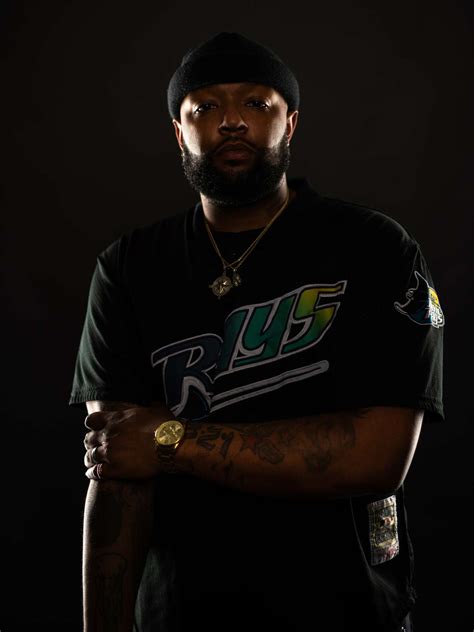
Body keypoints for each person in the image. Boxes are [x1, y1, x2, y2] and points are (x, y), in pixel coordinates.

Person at [69, 32, 444, 632]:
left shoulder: (374, 248)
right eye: (206, 106)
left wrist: (168, 439)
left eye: (255, 103)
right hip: (179, 613)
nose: (232, 121)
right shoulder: (129, 267)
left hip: (345, 609)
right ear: (179, 131)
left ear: (290, 123)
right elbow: (118, 470)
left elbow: (379, 456)